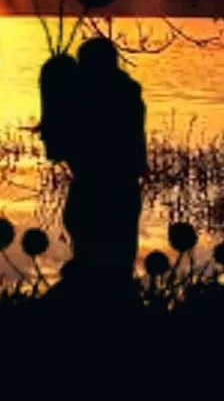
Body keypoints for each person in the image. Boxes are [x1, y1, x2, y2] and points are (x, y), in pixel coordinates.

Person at [63, 37, 147, 282]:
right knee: (114, 259)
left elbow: (68, 146)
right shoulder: (126, 92)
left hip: (102, 186)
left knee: (98, 258)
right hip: (120, 185)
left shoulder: (90, 96)